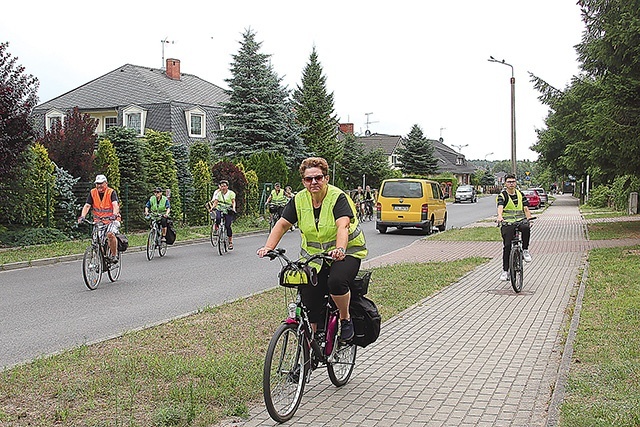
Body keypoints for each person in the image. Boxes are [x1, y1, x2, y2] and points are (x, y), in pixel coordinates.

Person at [257, 157, 368, 341]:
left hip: (346, 253)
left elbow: (343, 226)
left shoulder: (337, 197)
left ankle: (345, 318)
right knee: (308, 293)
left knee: (336, 282)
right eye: (309, 179)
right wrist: (269, 247)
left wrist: (340, 249)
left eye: (318, 177)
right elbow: (282, 224)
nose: (314, 182)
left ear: (326, 178)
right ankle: (311, 342)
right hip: (314, 257)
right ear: (303, 181)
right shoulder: (299, 200)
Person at [496, 173, 533, 281]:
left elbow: (526, 209)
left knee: (526, 227)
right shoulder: (502, 195)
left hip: (520, 221)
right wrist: (500, 216)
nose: (511, 184)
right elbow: (500, 207)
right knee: (507, 246)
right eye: (509, 182)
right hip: (507, 222)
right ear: (505, 183)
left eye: (513, 181)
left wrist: (529, 219)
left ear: (516, 183)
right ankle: (505, 271)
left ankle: (525, 250)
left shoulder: (520, 194)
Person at [77, 174, 121, 262]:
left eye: (101, 183)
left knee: (110, 234)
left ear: (106, 183)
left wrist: (114, 215)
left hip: (112, 220)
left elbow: (115, 205)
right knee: (96, 241)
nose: (99, 186)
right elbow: (87, 206)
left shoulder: (111, 192)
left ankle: (114, 255)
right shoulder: (93, 192)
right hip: (99, 221)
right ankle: (102, 260)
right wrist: (82, 216)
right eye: (97, 183)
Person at [208, 180, 236, 250]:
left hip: (228, 209)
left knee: (228, 226)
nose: (223, 187)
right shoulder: (218, 194)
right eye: (222, 186)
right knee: (217, 218)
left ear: (227, 186)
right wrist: (212, 208)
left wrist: (233, 208)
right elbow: (216, 202)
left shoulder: (231, 193)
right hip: (220, 208)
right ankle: (217, 228)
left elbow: (233, 202)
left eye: (224, 186)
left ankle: (230, 242)